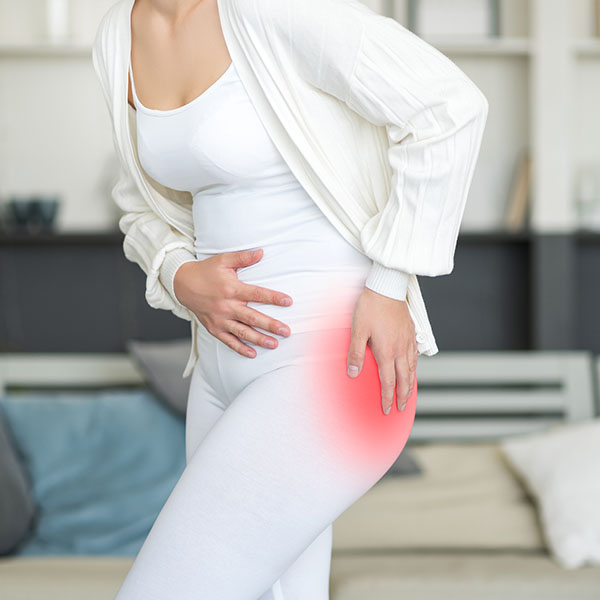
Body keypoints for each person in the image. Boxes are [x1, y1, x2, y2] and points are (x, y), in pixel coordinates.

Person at [92, 0, 488, 597]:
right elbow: (137, 200)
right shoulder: (116, 36)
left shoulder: (272, 7)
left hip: (334, 365)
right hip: (218, 373)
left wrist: (390, 282)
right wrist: (177, 272)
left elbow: (448, 107)